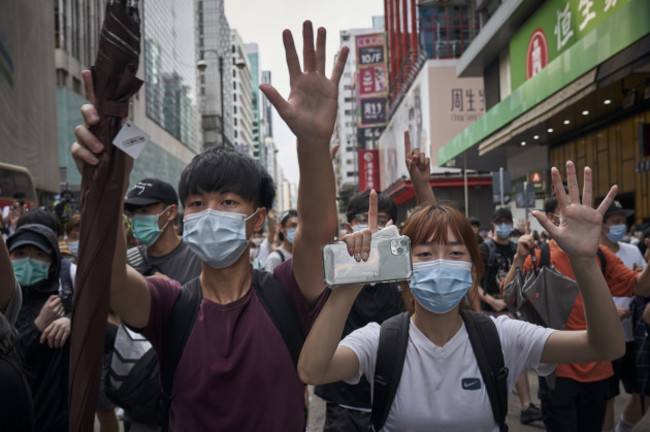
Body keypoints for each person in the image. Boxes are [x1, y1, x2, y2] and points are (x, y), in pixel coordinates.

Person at [72, 21, 347, 431]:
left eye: (229, 202)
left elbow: (317, 232)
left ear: (257, 221)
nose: (209, 212)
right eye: (197, 203)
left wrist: (312, 144)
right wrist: (107, 186)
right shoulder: (170, 304)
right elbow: (111, 280)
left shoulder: (288, 291)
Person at [298, 161, 625, 431]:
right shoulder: (379, 341)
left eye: (455, 253)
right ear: (404, 270)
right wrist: (352, 281)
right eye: (425, 254)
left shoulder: (503, 337)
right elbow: (313, 371)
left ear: (472, 270)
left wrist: (584, 260)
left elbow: (605, 346)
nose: (440, 264)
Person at [502, 191, 650, 432]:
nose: (577, 214)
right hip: (558, 372)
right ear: (551, 218)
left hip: (599, 369)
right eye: (568, 209)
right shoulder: (540, 256)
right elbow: (509, 297)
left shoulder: (600, 255)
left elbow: (641, 285)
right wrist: (519, 258)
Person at [314, 189, 403, 431]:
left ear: (394, 228)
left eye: (381, 221)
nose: (370, 229)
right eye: (360, 220)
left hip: (392, 399)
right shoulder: (332, 270)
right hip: (342, 400)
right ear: (347, 226)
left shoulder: (403, 277)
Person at [479, 207, 542, 424]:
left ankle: (526, 405)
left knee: (515, 355)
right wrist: (489, 300)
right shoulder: (484, 249)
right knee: (490, 360)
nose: (504, 225)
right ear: (494, 224)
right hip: (489, 311)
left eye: (508, 221)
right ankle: (487, 406)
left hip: (511, 310)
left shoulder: (517, 249)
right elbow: (472, 281)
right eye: (500, 221)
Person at [8, 224, 72, 431]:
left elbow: (109, 336)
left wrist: (74, 321)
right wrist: (38, 326)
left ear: (53, 264)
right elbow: (9, 357)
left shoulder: (63, 303)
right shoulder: (4, 303)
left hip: (52, 419)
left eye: (38, 254)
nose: (27, 260)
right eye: (19, 253)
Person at [599, 200, 648, 432]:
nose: (621, 225)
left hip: (635, 337)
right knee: (607, 397)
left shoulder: (633, 250)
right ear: (602, 225)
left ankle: (622, 429)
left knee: (643, 393)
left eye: (623, 221)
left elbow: (642, 285)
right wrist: (610, 313)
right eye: (615, 221)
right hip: (606, 340)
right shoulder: (593, 255)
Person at [123, 178, 202, 282]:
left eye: (144, 210)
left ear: (171, 212)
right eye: (132, 213)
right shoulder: (129, 261)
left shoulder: (199, 257)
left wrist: (172, 291)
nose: (137, 219)